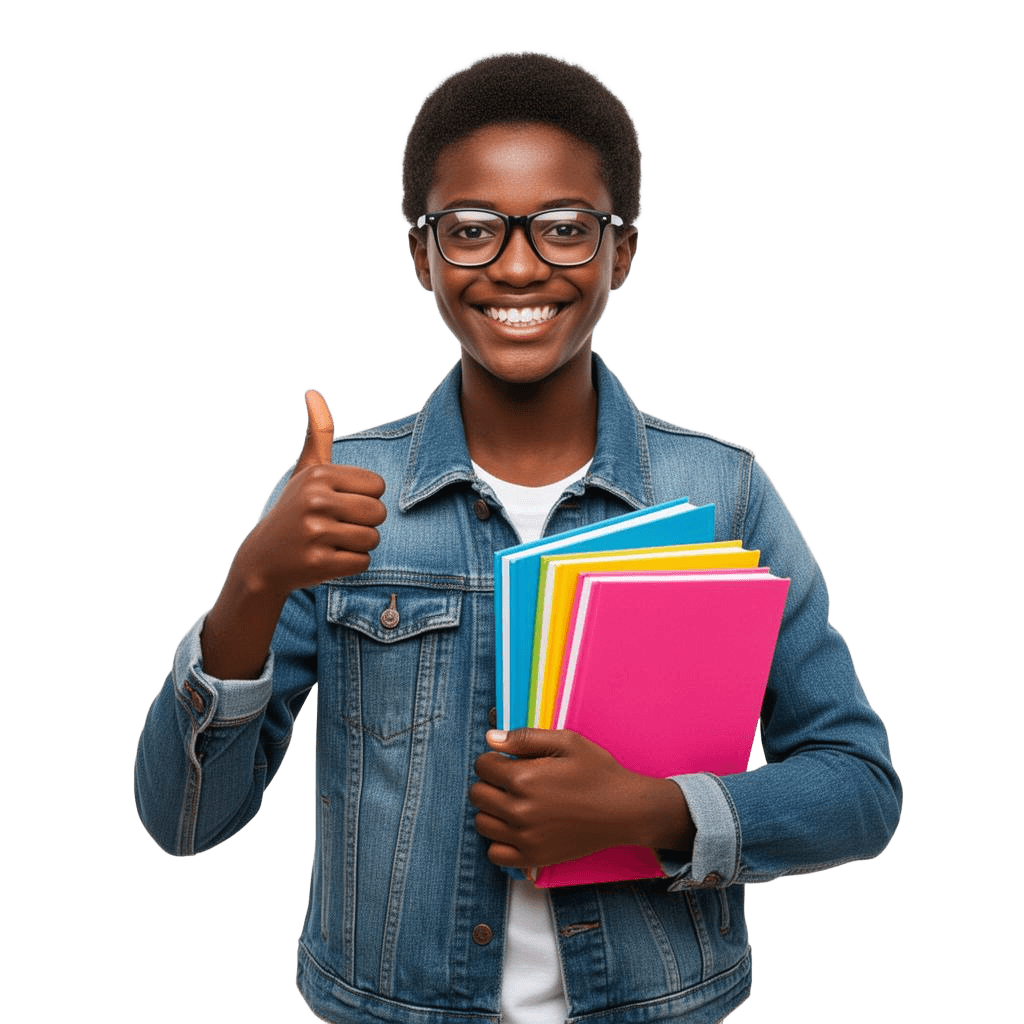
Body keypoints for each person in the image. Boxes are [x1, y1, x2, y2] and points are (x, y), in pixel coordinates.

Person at [134, 49, 901, 1024]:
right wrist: (251, 583)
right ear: (421, 254)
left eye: (565, 229)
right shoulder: (341, 496)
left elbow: (858, 784)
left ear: (622, 250)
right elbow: (186, 816)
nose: (519, 262)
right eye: (471, 230)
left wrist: (651, 811)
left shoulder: (726, 493)